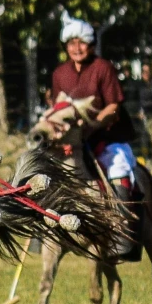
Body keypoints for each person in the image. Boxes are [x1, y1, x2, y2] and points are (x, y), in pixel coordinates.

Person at [46, 17, 136, 197]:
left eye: (82, 43)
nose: (77, 48)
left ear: (92, 45)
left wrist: (92, 125)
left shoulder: (103, 68)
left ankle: (124, 218)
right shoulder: (59, 73)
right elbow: (59, 108)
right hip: (72, 140)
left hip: (106, 137)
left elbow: (113, 106)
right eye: (72, 43)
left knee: (118, 167)